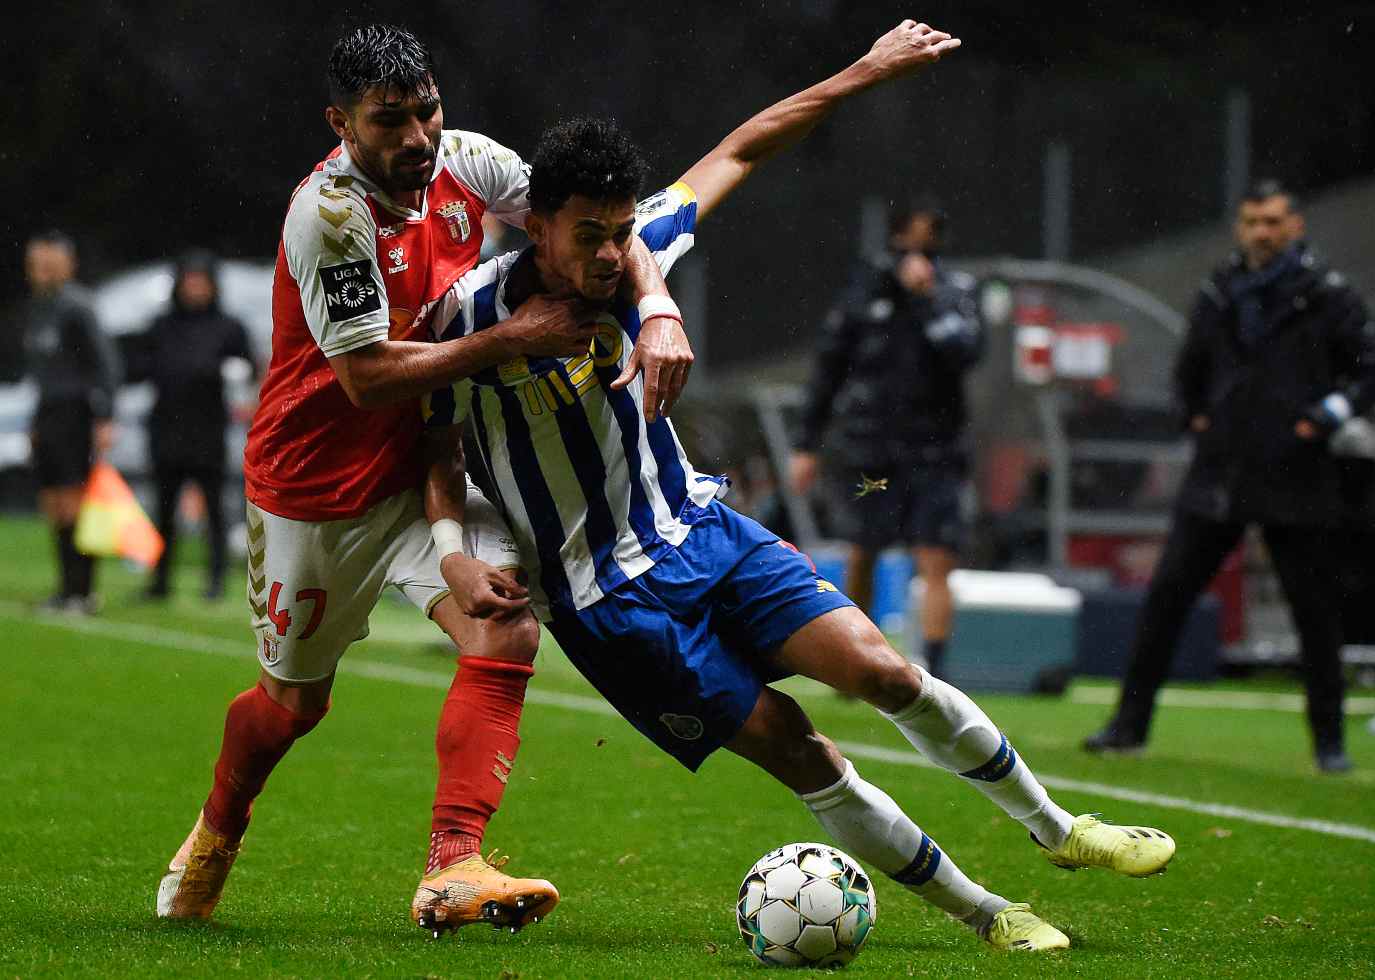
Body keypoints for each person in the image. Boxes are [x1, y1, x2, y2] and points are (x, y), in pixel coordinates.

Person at [423, 21, 1175, 953]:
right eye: (589, 236)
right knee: (798, 745)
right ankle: (990, 914)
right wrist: (453, 557)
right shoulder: (465, 319)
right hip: (607, 604)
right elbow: (435, 449)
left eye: (621, 233)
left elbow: (742, 145)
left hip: (699, 531)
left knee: (884, 669)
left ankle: (1061, 832)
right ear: (533, 225)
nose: (612, 253)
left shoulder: (635, 261)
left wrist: (866, 70)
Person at [156, 23, 690, 930]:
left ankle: (453, 864)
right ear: (342, 124)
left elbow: (592, 214)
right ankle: (217, 829)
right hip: (315, 492)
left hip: (430, 468)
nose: (416, 138)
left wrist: (656, 302)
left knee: (505, 624)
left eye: (426, 110)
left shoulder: (467, 162)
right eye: (388, 120)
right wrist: (510, 339)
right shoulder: (328, 216)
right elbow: (363, 380)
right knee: (292, 707)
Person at [1084, 179, 1375, 773]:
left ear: (1295, 226)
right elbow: (1187, 374)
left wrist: (1324, 417)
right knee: (1166, 598)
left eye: (1274, 221)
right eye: (1253, 221)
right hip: (1221, 473)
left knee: (1315, 613)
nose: (1263, 232)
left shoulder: (1325, 294)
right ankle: (1127, 727)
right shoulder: (1220, 291)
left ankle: (1330, 745)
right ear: (1240, 227)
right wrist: (1197, 420)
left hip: (1295, 473)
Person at [789, 205, 986, 678]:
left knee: (936, 555)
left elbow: (966, 351)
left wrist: (929, 299)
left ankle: (935, 668)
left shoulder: (956, 291)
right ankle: (854, 658)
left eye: (928, 239)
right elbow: (829, 368)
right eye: (909, 239)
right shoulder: (866, 291)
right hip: (872, 449)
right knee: (864, 547)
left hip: (935, 451)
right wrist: (806, 444)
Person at [133, 251, 258, 601]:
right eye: (189, 281)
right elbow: (138, 366)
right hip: (167, 428)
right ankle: (159, 581)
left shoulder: (229, 327)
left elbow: (248, 368)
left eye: (201, 282)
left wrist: (231, 375)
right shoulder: (161, 326)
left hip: (207, 429)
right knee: (164, 510)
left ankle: (216, 580)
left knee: (215, 510)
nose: (195, 289)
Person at [20, 230, 122, 615]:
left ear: (67, 264)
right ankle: (65, 588)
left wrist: (105, 415)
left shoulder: (78, 306)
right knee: (52, 503)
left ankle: (84, 590)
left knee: (75, 502)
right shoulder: (37, 308)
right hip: (48, 413)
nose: (40, 270)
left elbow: (107, 363)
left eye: (48, 262)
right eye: (35, 263)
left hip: (75, 412)